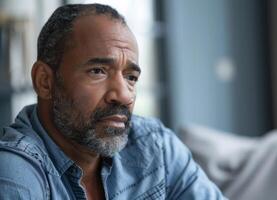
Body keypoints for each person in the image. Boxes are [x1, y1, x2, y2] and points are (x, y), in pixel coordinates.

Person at [0, 3, 226, 199]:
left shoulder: (154, 146)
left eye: (131, 77)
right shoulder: (13, 173)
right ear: (45, 81)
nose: (124, 96)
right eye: (98, 71)